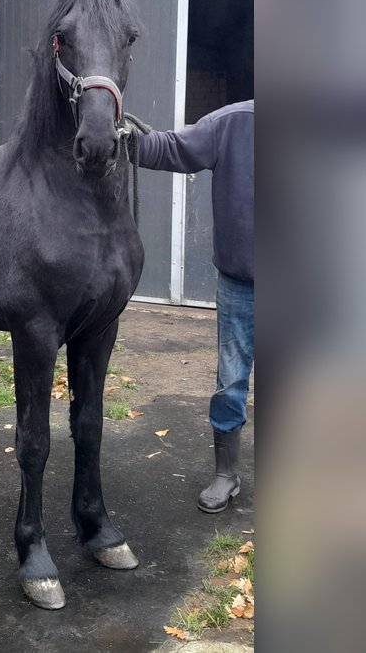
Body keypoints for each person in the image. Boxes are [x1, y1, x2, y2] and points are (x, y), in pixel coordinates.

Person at [133, 99, 254, 513]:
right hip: (243, 285)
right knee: (230, 381)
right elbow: (171, 148)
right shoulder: (232, 124)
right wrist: (115, 130)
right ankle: (226, 474)